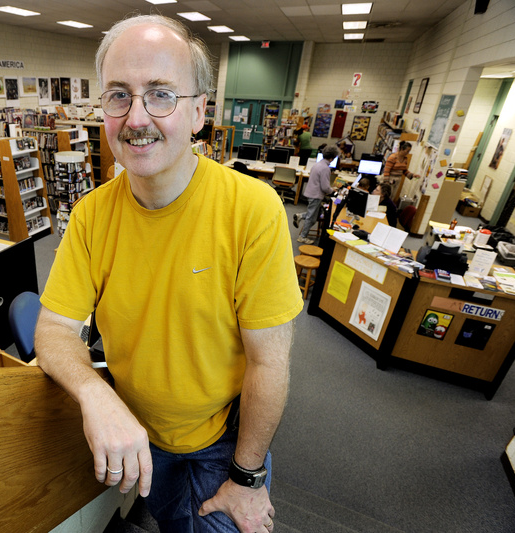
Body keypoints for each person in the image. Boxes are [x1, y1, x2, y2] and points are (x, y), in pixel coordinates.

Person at [34, 14, 303, 533]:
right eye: (119, 95)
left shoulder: (252, 209)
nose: (137, 117)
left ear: (199, 111)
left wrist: (247, 478)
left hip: (223, 446)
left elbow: (269, 364)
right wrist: (96, 394)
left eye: (160, 94)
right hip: (142, 436)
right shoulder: (91, 214)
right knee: (169, 523)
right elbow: (54, 329)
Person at [293, 145, 339, 244]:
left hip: (311, 192)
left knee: (316, 214)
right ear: (332, 158)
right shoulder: (326, 168)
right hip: (316, 195)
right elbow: (325, 187)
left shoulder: (317, 164)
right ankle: (302, 237)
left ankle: (299, 216)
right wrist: (334, 192)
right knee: (311, 218)